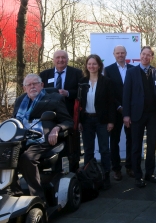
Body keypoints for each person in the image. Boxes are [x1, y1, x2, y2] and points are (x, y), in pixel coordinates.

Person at [13, 73, 73, 202]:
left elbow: (68, 121)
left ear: (42, 85)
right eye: (29, 84)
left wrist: (57, 128)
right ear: (24, 88)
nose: (32, 86)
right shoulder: (20, 101)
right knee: (6, 157)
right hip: (21, 138)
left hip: (41, 139)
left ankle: (38, 197)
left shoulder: (54, 98)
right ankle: (15, 194)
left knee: (27, 158)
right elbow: (14, 121)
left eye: (35, 83)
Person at [122, 46, 156, 188]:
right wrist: (126, 115)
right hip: (136, 115)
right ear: (140, 55)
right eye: (143, 54)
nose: (145, 57)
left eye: (149, 55)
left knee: (152, 145)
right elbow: (126, 95)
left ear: (152, 57)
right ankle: (138, 176)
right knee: (136, 146)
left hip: (153, 115)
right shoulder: (131, 72)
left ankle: (149, 173)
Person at [78, 54, 115, 190]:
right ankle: (89, 177)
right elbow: (79, 104)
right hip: (86, 120)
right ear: (86, 66)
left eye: (94, 64)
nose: (91, 66)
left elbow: (111, 104)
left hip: (102, 121)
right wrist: (79, 121)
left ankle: (106, 177)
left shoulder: (106, 81)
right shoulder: (82, 82)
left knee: (104, 149)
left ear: (99, 66)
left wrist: (111, 121)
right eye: (89, 64)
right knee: (88, 150)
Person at [104, 45, 135, 181]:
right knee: (114, 141)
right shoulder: (108, 70)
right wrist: (118, 106)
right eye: (118, 53)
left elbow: (136, 91)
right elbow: (109, 92)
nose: (120, 55)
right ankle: (116, 169)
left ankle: (129, 166)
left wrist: (128, 107)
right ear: (114, 54)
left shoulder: (134, 69)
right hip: (115, 111)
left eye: (122, 53)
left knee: (131, 140)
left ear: (126, 54)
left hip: (131, 111)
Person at [40, 50, 83, 117]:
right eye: (58, 57)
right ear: (53, 60)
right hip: (49, 111)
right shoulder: (44, 74)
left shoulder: (77, 73)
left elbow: (82, 92)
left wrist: (68, 93)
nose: (60, 60)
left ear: (67, 59)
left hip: (69, 111)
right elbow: (40, 91)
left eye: (63, 57)